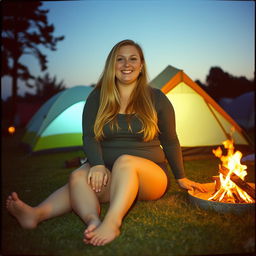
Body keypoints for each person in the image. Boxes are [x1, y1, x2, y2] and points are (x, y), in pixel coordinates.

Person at [6, 39, 207, 246]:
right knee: (77, 176)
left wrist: (181, 178)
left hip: (151, 177)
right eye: (120, 59)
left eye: (132, 59)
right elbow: (89, 136)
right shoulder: (97, 97)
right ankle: (58, 217)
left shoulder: (156, 98)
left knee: (125, 162)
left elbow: (171, 140)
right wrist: (98, 165)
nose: (126, 64)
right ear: (112, 65)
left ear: (141, 65)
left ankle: (112, 222)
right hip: (110, 174)